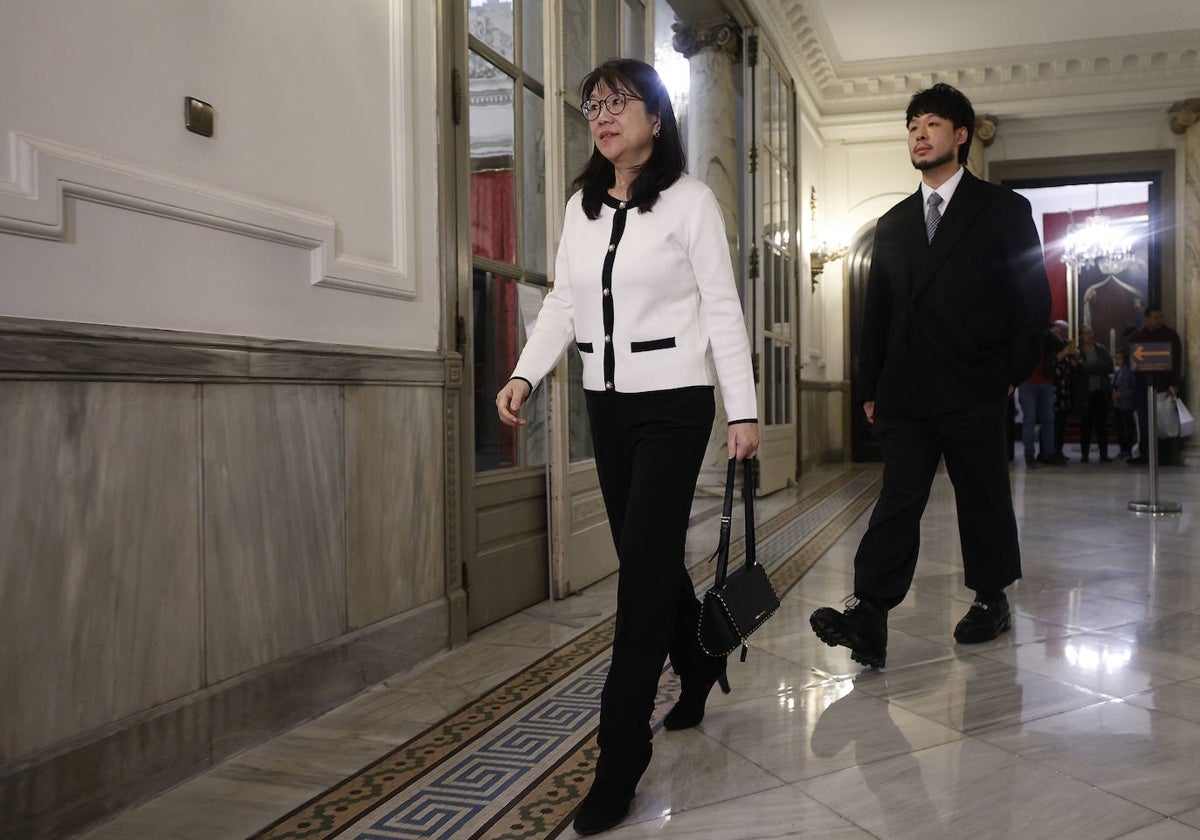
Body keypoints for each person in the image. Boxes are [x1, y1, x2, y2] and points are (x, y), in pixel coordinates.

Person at [495, 58, 758, 836]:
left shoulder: (690, 201)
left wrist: (740, 410)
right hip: (605, 406)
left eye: (619, 103)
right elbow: (565, 301)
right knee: (647, 557)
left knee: (638, 576)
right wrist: (525, 373)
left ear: (657, 116)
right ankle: (702, 661)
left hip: (676, 406)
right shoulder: (581, 206)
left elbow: (722, 307)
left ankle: (619, 759)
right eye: (593, 106)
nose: (603, 116)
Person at [809, 83, 1050, 667]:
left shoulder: (1001, 209)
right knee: (898, 498)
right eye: (912, 124)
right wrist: (869, 388)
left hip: (974, 384)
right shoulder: (892, 223)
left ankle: (991, 599)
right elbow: (879, 314)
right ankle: (870, 613)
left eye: (932, 123)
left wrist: (1009, 373)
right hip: (907, 390)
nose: (918, 133)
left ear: (960, 134)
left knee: (982, 495)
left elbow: (1031, 296)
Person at [1126, 306, 1183, 465]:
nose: (1159, 320)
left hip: (1164, 385)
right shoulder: (1138, 336)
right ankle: (1145, 455)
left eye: (1161, 317)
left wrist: (1175, 383)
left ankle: (1163, 456)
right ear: (1147, 318)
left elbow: (1176, 361)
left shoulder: (1170, 335)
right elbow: (1131, 357)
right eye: (1155, 317)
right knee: (1144, 421)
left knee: (1162, 420)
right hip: (1142, 385)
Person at [1019, 325, 1061, 467]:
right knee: (1029, 419)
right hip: (1028, 381)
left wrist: (1046, 331)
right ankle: (1029, 455)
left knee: (1048, 418)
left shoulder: (1046, 335)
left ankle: (1047, 453)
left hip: (1045, 380)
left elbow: (1059, 344)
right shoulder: (1024, 333)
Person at [1075, 324, 1114, 462]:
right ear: (1080, 336)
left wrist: (1086, 367)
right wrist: (1095, 367)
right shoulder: (1077, 351)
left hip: (1100, 391)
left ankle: (1104, 454)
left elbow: (1109, 366)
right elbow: (1078, 371)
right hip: (1085, 393)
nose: (1089, 335)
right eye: (1086, 333)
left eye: (1091, 332)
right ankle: (1084, 455)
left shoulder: (1101, 349)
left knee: (1101, 425)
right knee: (1086, 425)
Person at [1050, 319, 1079, 464]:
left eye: (1064, 330)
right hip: (1054, 389)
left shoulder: (1065, 343)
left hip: (1065, 390)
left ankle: (1059, 450)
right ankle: (1051, 451)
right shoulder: (1049, 344)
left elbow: (1072, 365)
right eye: (1059, 329)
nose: (1061, 332)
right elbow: (1053, 361)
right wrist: (1065, 352)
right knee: (1053, 422)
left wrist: (1074, 357)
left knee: (1061, 423)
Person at [1111, 348, 1137, 461]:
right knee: (1120, 429)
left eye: (1119, 358)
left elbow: (1134, 388)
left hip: (1127, 405)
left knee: (1127, 429)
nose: (1117, 360)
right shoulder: (1118, 372)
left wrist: (1121, 394)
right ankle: (1122, 450)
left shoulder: (1130, 372)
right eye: (1116, 358)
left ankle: (1128, 450)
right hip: (1118, 405)